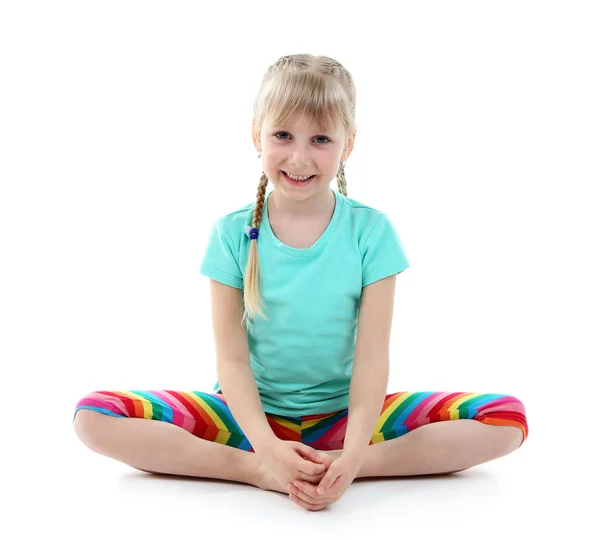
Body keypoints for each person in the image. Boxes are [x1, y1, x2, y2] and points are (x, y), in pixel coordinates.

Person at [72, 53, 528, 512]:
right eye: (283, 135)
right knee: (94, 416)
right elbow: (231, 361)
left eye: (321, 139)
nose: (299, 157)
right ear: (257, 135)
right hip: (246, 420)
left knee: (505, 418)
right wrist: (267, 453)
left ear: (347, 144)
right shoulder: (231, 235)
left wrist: (351, 458)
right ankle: (252, 470)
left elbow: (372, 359)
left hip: (346, 419)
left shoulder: (371, 232)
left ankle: (332, 463)